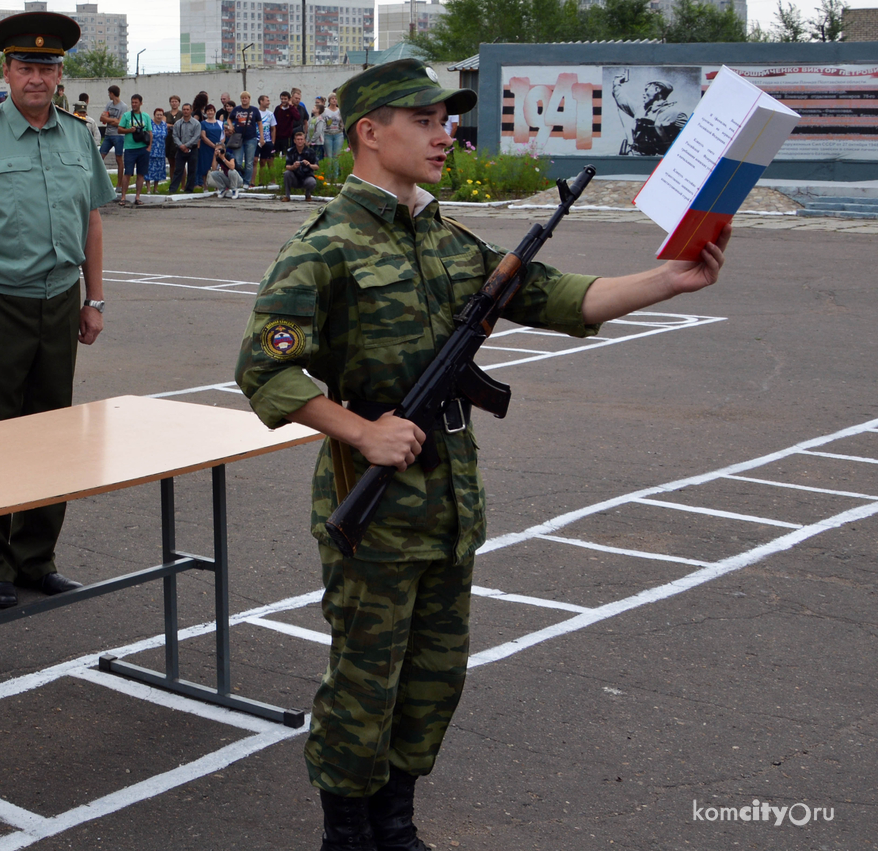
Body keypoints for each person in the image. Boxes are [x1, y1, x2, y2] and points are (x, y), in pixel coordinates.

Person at [234, 58, 732, 851]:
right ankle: (347, 833)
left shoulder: (452, 237)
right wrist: (360, 431)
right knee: (364, 683)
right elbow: (263, 369)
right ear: (370, 131)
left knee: (434, 679)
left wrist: (665, 280)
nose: (444, 134)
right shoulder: (323, 246)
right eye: (425, 120)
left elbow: (558, 297)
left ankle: (395, 821)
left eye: (446, 120)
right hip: (375, 505)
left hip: (450, 501)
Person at [0, 10, 112, 611]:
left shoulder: (79, 135)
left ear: (61, 75)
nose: (38, 77)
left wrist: (94, 298)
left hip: (59, 303)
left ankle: (38, 558)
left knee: (51, 437)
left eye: (48, 67)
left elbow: (91, 219)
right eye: (26, 66)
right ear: (5, 71)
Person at [118, 93, 152, 206]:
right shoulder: (127, 116)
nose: (134, 104)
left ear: (141, 103)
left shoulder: (146, 116)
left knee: (141, 174)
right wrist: (130, 130)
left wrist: (149, 147)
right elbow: (119, 130)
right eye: (132, 102)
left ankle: (138, 197)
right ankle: (123, 197)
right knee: (127, 173)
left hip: (143, 148)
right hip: (130, 149)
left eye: (136, 102)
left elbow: (150, 133)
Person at [99, 85, 126, 201]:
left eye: (109, 93)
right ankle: (99, 182)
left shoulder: (123, 106)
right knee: (100, 157)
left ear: (112, 93)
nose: (108, 95)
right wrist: (112, 120)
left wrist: (109, 120)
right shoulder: (109, 105)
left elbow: (120, 123)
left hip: (119, 135)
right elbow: (102, 118)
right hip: (108, 135)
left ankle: (119, 185)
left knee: (119, 159)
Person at [170, 102, 200, 193]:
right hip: (180, 149)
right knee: (178, 170)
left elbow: (196, 137)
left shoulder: (196, 123)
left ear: (191, 110)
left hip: (193, 149)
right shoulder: (178, 123)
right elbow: (174, 136)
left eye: (187, 109)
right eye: (184, 109)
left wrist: (186, 145)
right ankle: (173, 189)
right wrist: (181, 146)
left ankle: (189, 189)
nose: (186, 111)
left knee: (192, 170)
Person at [283, 129, 319, 202]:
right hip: (295, 177)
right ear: (294, 141)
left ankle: (308, 194)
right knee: (287, 173)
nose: (300, 141)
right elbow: (287, 166)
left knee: (312, 182)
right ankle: (287, 196)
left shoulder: (311, 152)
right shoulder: (290, 151)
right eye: (298, 139)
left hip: (307, 177)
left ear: (304, 140)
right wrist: (293, 166)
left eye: (301, 139)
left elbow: (317, 167)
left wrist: (309, 164)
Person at [196, 103, 225, 189]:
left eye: (211, 110)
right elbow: (203, 136)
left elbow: (223, 136)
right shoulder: (203, 123)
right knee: (205, 166)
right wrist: (213, 145)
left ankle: (217, 186)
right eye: (208, 111)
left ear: (214, 112)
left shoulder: (220, 123)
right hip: (206, 148)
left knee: (217, 167)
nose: (210, 112)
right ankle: (205, 186)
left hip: (218, 148)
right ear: (206, 113)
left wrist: (219, 146)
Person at [147, 106, 169, 190]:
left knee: (158, 170)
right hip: (151, 149)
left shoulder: (164, 125)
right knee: (149, 169)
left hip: (161, 150)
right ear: (154, 115)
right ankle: (148, 188)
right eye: (157, 115)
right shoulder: (150, 123)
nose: (159, 116)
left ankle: (155, 188)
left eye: (161, 115)